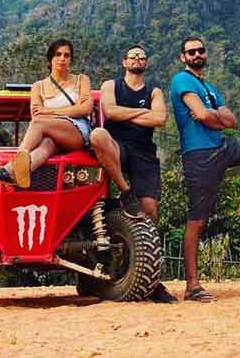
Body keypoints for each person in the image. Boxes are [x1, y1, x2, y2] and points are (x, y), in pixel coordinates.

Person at [170, 36, 240, 303]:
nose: (196, 55)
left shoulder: (209, 87)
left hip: (222, 146)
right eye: (190, 52)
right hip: (199, 155)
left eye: (200, 50)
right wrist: (213, 116)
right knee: (197, 220)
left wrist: (212, 116)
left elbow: (230, 119)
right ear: (183, 57)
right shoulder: (182, 80)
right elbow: (204, 116)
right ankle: (192, 285)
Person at [86, 44, 178, 304]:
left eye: (142, 57)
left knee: (150, 210)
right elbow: (110, 111)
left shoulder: (154, 91)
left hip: (144, 151)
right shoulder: (111, 85)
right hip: (117, 147)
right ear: (124, 61)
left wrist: (129, 115)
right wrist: (144, 113)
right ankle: (125, 191)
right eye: (133, 56)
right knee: (97, 135)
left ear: (146, 63)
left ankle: (153, 280)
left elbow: (160, 120)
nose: (137, 60)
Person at [0, 39, 93, 187]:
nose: (62, 59)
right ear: (50, 59)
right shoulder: (38, 86)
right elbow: (37, 113)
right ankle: (20, 173)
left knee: (38, 123)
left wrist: (48, 111)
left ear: (71, 59)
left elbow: (85, 109)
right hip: (54, 137)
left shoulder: (81, 80)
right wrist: (50, 114)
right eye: (58, 55)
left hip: (78, 132)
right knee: (46, 145)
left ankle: (9, 167)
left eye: (66, 55)